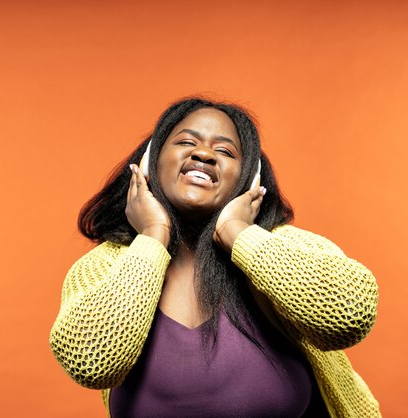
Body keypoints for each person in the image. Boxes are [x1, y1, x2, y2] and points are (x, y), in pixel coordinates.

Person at [49, 97, 381, 417]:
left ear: (250, 179)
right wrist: (153, 235)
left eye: (224, 151)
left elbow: (349, 316)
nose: (204, 153)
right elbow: (92, 362)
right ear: (150, 164)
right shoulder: (105, 266)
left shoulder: (284, 246)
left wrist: (238, 233)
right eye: (185, 142)